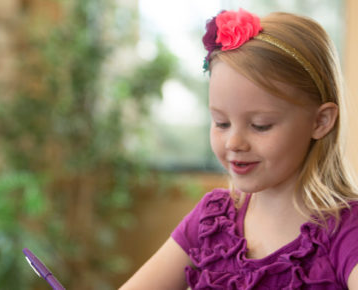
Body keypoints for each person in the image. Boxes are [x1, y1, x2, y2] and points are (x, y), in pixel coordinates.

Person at [120, 8, 358, 289]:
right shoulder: (211, 219)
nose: (234, 142)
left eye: (260, 125)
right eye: (221, 123)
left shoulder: (346, 230)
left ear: (320, 121)